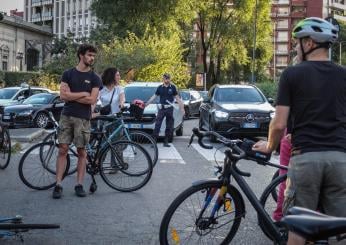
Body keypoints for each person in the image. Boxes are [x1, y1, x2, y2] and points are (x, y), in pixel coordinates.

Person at [252, 17, 346, 245]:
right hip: (341, 160)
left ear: (310, 43)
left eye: (298, 42)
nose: (296, 46)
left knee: (299, 227)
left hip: (306, 158)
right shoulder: (344, 74)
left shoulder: (292, 74)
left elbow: (279, 123)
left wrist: (269, 146)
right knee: (339, 229)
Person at [53, 44, 102, 199]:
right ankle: (58, 185)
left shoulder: (95, 78)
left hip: (83, 118)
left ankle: (79, 184)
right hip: (66, 116)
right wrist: (82, 93)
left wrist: (72, 95)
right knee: (62, 149)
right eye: (89, 55)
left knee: (82, 151)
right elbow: (63, 96)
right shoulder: (68, 74)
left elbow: (92, 99)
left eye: (93, 56)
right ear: (81, 55)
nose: (92, 58)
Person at [145, 73, 184, 147]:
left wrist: (182, 108)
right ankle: (154, 141)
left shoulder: (173, 87)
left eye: (168, 78)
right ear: (163, 79)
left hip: (169, 108)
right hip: (161, 109)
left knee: (169, 126)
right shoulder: (160, 87)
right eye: (165, 78)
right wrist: (146, 104)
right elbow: (154, 97)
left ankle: (166, 141)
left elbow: (177, 98)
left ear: (170, 79)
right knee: (157, 125)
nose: (167, 80)